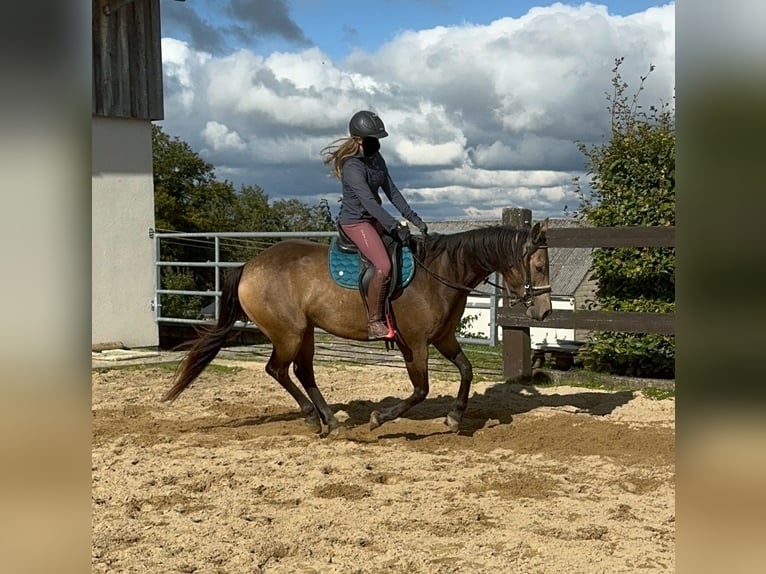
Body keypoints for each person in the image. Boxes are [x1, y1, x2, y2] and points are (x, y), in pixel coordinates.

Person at [321, 110, 428, 340]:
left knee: (405, 248)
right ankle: (374, 321)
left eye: (378, 138)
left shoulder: (377, 160)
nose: (377, 143)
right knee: (383, 265)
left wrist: (414, 218)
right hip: (356, 222)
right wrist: (392, 225)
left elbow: (392, 192)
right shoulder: (352, 168)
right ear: (359, 140)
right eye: (372, 139)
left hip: (373, 219)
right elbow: (369, 203)